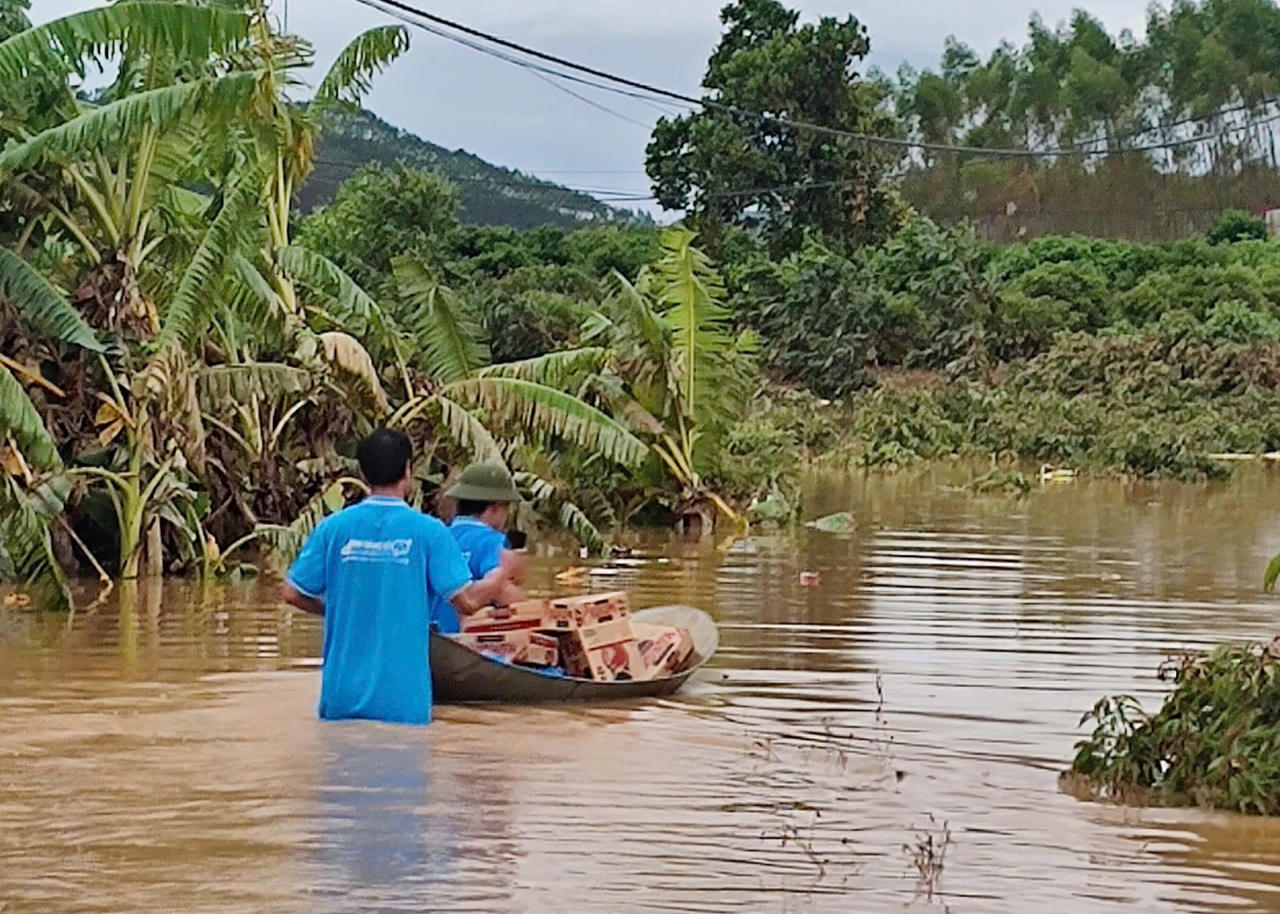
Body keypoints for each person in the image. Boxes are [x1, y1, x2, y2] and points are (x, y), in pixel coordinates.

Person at [280, 429, 524, 725]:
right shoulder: (429, 532)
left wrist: (335, 611)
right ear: (407, 471)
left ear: (363, 471)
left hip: (339, 701)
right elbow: (469, 601)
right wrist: (502, 575)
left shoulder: (333, 529)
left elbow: (292, 593)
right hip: (402, 705)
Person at [431, 462, 526, 635]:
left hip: (435, 636)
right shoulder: (492, 541)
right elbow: (505, 592)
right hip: (465, 642)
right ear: (495, 507)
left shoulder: (440, 536)